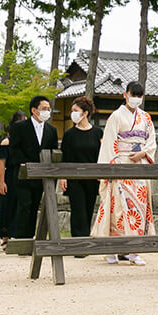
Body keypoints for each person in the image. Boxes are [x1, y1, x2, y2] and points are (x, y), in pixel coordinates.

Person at [92, 81, 156, 265]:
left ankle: (134, 251)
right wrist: (110, 168)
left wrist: (144, 153)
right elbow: (109, 143)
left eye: (139, 95)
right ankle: (112, 249)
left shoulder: (146, 117)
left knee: (139, 208)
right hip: (120, 164)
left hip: (140, 165)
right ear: (124, 94)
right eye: (133, 94)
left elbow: (151, 141)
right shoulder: (116, 116)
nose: (136, 98)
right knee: (118, 208)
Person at [6, 96, 58, 241]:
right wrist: (27, 165)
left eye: (48, 109)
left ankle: (31, 237)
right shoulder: (19, 127)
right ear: (34, 110)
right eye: (44, 109)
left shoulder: (51, 130)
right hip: (23, 174)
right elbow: (14, 149)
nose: (47, 111)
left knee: (35, 205)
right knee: (24, 204)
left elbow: (53, 150)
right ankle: (21, 237)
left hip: (41, 175)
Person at [59, 96, 102, 241]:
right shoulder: (69, 134)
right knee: (78, 210)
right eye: (72, 111)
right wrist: (63, 176)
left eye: (76, 111)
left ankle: (85, 240)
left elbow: (101, 155)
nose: (73, 114)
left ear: (85, 113)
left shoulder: (97, 133)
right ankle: (77, 242)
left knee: (89, 209)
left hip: (92, 178)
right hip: (74, 178)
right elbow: (65, 157)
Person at [0, 111, 24, 245]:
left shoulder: (24, 141)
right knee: (6, 205)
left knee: (19, 205)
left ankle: (16, 234)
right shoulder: (6, 142)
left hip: (22, 175)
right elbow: (1, 163)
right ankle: (4, 236)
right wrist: (2, 181)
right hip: (9, 175)